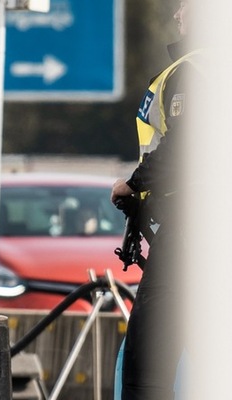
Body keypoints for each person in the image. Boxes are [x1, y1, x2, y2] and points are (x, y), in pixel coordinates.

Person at [110, 1, 201, 398]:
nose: (178, 15)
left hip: (192, 226)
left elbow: (185, 145)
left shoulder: (196, 68)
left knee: (149, 357)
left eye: (185, 7)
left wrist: (132, 185)